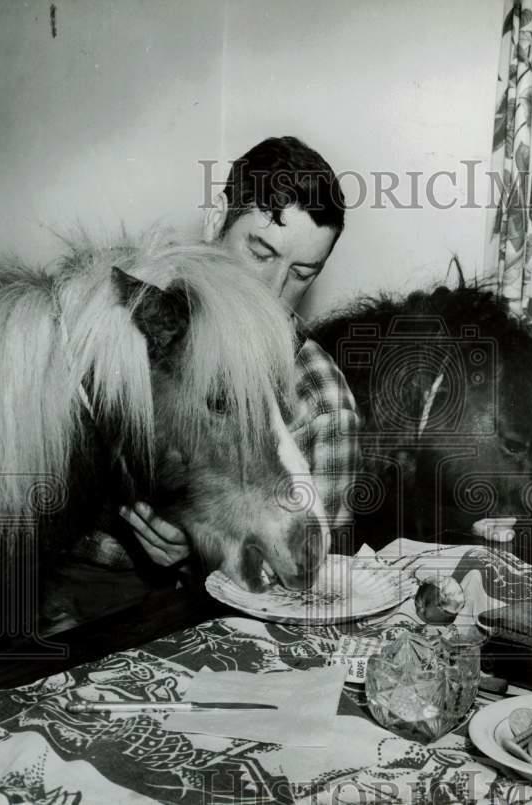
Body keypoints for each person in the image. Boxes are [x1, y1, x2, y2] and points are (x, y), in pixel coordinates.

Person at [116, 136, 361, 568]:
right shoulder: (126, 320)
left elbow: (315, 569)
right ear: (216, 221)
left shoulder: (322, 396)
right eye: (260, 252)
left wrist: (200, 556)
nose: (271, 289)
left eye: (301, 273)